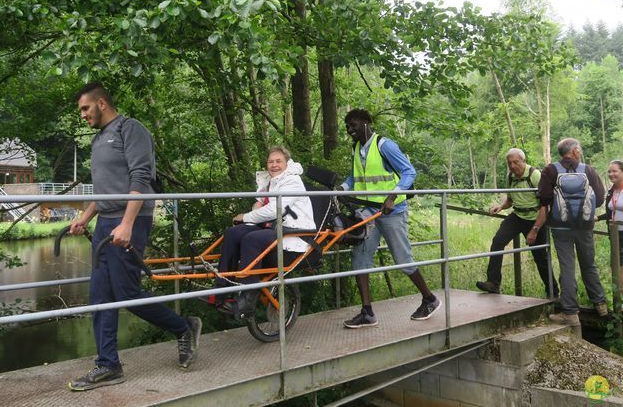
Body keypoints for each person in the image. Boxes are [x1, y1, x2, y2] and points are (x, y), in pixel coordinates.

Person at [68, 82, 201, 391]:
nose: (83, 115)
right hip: (105, 225)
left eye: (85, 108)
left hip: (131, 220)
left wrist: (127, 223)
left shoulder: (131, 129)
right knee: (100, 296)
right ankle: (108, 364)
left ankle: (184, 327)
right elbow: (103, 190)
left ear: (101, 103)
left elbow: (140, 177)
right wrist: (84, 218)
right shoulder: (99, 139)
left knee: (127, 293)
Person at [340, 108, 440, 328]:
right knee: (359, 260)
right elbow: (354, 176)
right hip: (368, 213)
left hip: (391, 212)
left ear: (366, 123)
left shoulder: (385, 145)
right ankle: (367, 312)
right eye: (347, 127)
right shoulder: (357, 148)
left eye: (353, 125)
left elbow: (409, 172)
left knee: (403, 259)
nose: (350, 130)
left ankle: (429, 299)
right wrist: (342, 187)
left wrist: (392, 196)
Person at [213, 146, 317, 318]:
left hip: (293, 232)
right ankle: (221, 289)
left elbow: (274, 210)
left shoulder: (292, 181)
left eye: (278, 161)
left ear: (287, 163)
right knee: (232, 233)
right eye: (271, 161)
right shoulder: (270, 181)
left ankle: (247, 300)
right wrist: (254, 210)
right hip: (272, 227)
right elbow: (260, 203)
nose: (274, 165)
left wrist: (247, 216)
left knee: (251, 239)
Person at [526, 138, 607, 326]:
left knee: (567, 267)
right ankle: (600, 304)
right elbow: (601, 198)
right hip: (585, 226)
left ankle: (570, 313)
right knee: (589, 264)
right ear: (576, 150)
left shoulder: (550, 170)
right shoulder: (588, 170)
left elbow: (544, 199)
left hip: (560, 226)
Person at [476, 148, 559, 298]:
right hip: (518, 216)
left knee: (540, 256)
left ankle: (553, 292)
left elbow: (545, 206)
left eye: (516, 162)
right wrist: (500, 207)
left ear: (524, 160)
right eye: (510, 163)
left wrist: (534, 230)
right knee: (498, 242)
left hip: (536, 218)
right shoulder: (510, 177)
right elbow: (510, 199)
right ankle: (493, 283)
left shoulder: (535, 175)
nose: (513, 166)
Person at [598, 160, 623, 266]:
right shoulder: (611, 191)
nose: (611, 174)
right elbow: (610, 213)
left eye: (614, 171)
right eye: (609, 172)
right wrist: (597, 218)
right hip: (614, 233)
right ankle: (617, 283)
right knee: (617, 263)